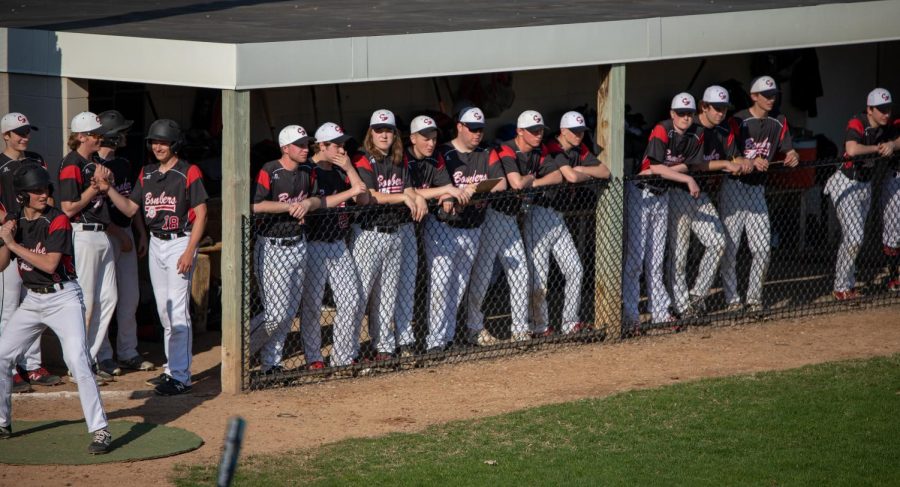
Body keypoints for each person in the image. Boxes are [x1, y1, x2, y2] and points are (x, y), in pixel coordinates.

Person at [0, 164, 112, 454]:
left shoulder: (57, 219)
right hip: (32, 300)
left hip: (63, 298)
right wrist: (4, 238)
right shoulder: (15, 219)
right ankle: (2, 421)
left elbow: (50, 264)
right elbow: (1, 264)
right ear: (21, 196)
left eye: (45, 189)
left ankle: (100, 430)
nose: (43, 194)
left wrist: (12, 243)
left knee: (77, 360)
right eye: (36, 191)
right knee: (2, 355)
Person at [95, 119, 208, 395]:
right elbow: (131, 209)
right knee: (164, 312)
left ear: (175, 144)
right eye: (154, 142)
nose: (158, 146)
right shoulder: (146, 174)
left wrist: (190, 250)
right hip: (157, 244)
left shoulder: (188, 171)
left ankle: (181, 376)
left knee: (178, 311)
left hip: (180, 241)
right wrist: (107, 188)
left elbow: (202, 213)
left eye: (164, 142)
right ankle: (172, 369)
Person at [623, 93, 703, 334]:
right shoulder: (662, 129)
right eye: (681, 113)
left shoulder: (696, 133)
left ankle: (659, 313)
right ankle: (631, 316)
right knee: (636, 260)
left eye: (689, 113)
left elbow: (688, 163)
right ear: (672, 113)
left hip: (662, 193)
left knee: (656, 261)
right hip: (641, 192)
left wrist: (668, 171)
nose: (685, 118)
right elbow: (656, 166)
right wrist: (684, 177)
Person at [719, 76, 799, 313]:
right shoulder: (738, 120)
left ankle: (754, 299)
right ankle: (732, 300)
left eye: (774, 94)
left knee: (762, 248)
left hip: (757, 190)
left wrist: (792, 155)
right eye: (766, 95)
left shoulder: (779, 120)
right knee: (730, 248)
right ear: (754, 96)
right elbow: (731, 154)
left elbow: (788, 149)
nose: (771, 99)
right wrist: (752, 161)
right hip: (735, 186)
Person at [351, 110, 427, 361]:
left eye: (388, 130)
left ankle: (382, 346)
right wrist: (404, 198)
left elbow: (407, 188)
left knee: (387, 295)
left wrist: (417, 198)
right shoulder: (362, 158)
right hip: (368, 234)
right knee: (359, 296)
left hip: (394, 232)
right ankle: (348, 351)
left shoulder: (399, 158)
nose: (384, 134)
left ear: (395, 134)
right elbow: (369, 196)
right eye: (379, 129)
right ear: (370, 133)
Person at [245, 125, 320, 376]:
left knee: (288, 312)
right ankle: (241, 350)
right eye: (299, 145)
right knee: (275, 313)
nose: (305, 149)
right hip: (272, 246)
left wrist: (308, 203)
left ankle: (271, 363)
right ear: (285, 148)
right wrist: (288, 207)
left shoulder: (307, 172)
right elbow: (255, 205)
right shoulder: (270, 170)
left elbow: (317, 198)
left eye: (306, 144)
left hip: (298, 244)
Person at [668, 86, 749, 317]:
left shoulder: (723, 130)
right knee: (679, 254)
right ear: (704, 106)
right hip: (678, 191)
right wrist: (725, 164)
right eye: (716, 108)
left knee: (718, 241)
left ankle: (696, 296)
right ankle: (680, 305)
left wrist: (745, 161)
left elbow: (735, 155)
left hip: (700, 193)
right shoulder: (691, 127)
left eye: (724, 108)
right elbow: (695, 164)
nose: (721, 113)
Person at [431, 107, 506, 351]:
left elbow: (501, 183)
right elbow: (436, 183)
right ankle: (435, 340)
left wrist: (474, 188)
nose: (477, 134)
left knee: (459, 285)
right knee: (442, 285)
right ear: (460, 127)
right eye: (472, 129)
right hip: (443, 227)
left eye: (480, 130)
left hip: (473, 226)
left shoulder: (486, 152)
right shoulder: (443, 151)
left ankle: (449, 338)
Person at [466, 110, 544, 344]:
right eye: (532, 131)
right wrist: (531, 178)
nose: (537, 135)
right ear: (520, 132)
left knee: (520, 273)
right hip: (493, 216)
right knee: (482, 274)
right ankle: (474, 327)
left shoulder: (536, 153)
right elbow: (517, 183)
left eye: (539, 131)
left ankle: (519, 329)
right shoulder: (504, 149)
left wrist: (531, 178)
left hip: (510, 219)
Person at [0, 112, 60, 392]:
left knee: (34, 302)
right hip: (9, 240)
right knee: (9, 307)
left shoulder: (36, 159)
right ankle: (7, 368)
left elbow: (48, 196)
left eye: (27, 132)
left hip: (35, 239)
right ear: (6, 136)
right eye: (19, 133)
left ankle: (32, 366)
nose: (24, 137)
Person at [404, 115, 475, 354]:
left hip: (431, 221)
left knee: (455, 281)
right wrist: (444, 191)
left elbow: (443, 188)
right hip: (406, 226)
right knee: (439, 280)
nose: (431, 143)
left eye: (433, 138)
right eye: (425, 138)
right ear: (413, 138)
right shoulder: (403, 158)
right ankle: (431, 339)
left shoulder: (437, 158)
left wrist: (447, 198)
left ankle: (446, 336)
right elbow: (410, 191)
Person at [536, 111, 610, 336]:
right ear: (563, 131)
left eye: (582, 132)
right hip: (539, 214)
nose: (579, 136)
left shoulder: (580, 149)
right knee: (539, 274)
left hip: (558, 216)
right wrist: (583, 174)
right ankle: (539, 327)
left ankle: (569, 323)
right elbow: (570, 176)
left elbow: (604, 172)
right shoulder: (552, 147)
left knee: (575, 269)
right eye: (575, 132)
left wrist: (582, 171)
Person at [300, 122, 368, 368]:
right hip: (313, 244)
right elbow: (317, 202)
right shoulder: (308, 170)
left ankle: (341, 356)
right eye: (336, 145)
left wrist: (350, 168)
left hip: (338, 243)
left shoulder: (342, 169)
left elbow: (362, 198)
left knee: (352, 299)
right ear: (321, 146)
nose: (341, 149)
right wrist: (348, 192)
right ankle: (314, 357)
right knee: (312, 304)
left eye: (343, 145)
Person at [58, 111, 119, 382]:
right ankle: (77, 363)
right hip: (82, 233)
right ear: (81, 137)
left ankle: (88, 358)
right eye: (95, 134)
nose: (100, 138)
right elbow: (68, 208)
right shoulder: (71, 163)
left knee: (109, 298)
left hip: (101, 233)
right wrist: (95, 189)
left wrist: (106, 184)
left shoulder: (93, 161)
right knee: (86, 302)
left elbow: (107, 186)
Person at [94, 110, 155, 374]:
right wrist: (119, 235)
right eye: (122, 131)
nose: (126, 135)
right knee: (105, 297)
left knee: (130, 297)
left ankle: (128, 351)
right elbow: (94, 210)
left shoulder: (125, 164)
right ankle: (103, 354)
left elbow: (132, 203)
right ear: (112, 136)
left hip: (126, 232)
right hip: (104, 235)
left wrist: (139, 232)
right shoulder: (92, 166)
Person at [825, 88, 899, 300]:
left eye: (888, 110)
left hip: (864, 185)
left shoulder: (887, 128)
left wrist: (892, 145)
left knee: (854, 237)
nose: (886, 114)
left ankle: (847, 284)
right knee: (855, 236)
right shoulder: (858, 121)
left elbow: (897, 140)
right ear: (870, 109)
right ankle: (841, 286)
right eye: (881, 110)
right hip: (845, 182)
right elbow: (852, 149)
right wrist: (878, 149)